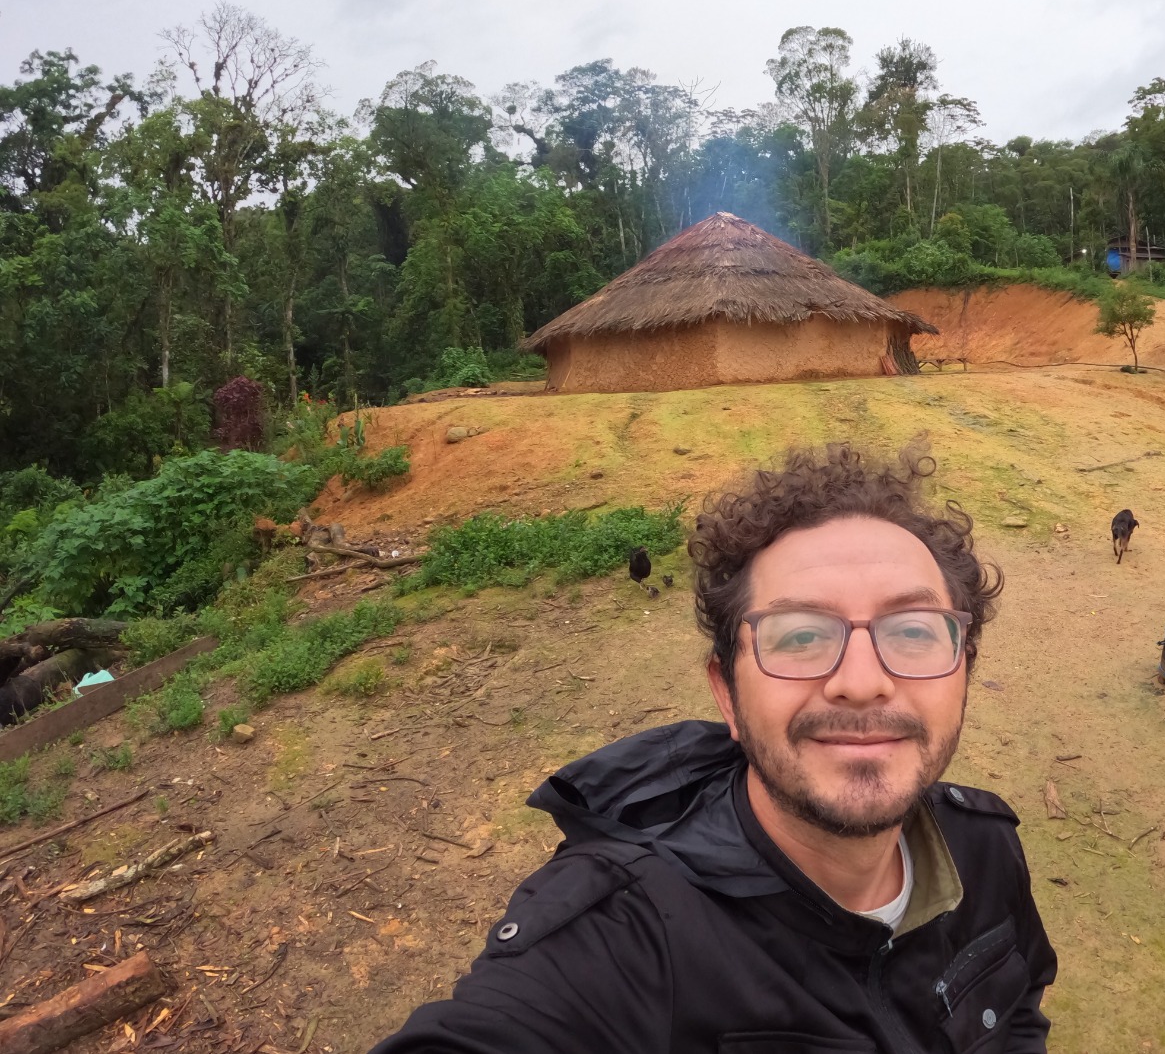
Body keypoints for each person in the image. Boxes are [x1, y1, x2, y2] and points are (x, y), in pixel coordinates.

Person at [371, 444, 1057, 1053]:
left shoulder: (986, 846)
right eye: (798, 635)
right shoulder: (626, 938)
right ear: (727, 692)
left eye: (912, 630)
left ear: (962, 667)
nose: (861, 682)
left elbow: (1021, 1007)